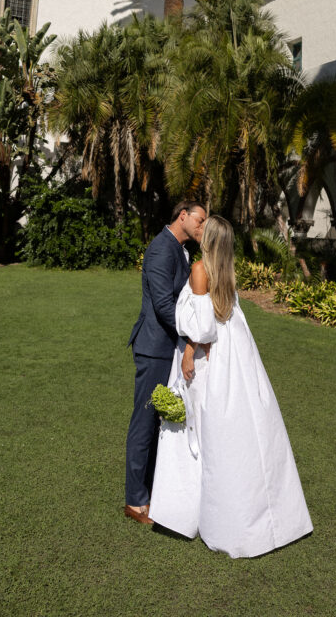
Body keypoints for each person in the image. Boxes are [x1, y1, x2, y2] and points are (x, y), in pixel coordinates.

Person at [149, 215, 313, 558]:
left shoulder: (199, 270)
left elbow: (203, 329)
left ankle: (197, 511)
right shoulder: (226, 272)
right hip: (237, 359)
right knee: (242, 433)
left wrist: (188, 354)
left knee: (202, 435)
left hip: (211, 362)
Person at [124, 200, 206, 524]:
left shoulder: (183, 251)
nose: (202, 227)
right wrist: (191, 336)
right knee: (143, 423)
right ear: (183, 216)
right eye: (200, 220)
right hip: (155, 348)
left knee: (162, 422)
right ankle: (134, 501)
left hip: (170, 348)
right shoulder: (160, 249)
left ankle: (156, 491)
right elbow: (163, 304)